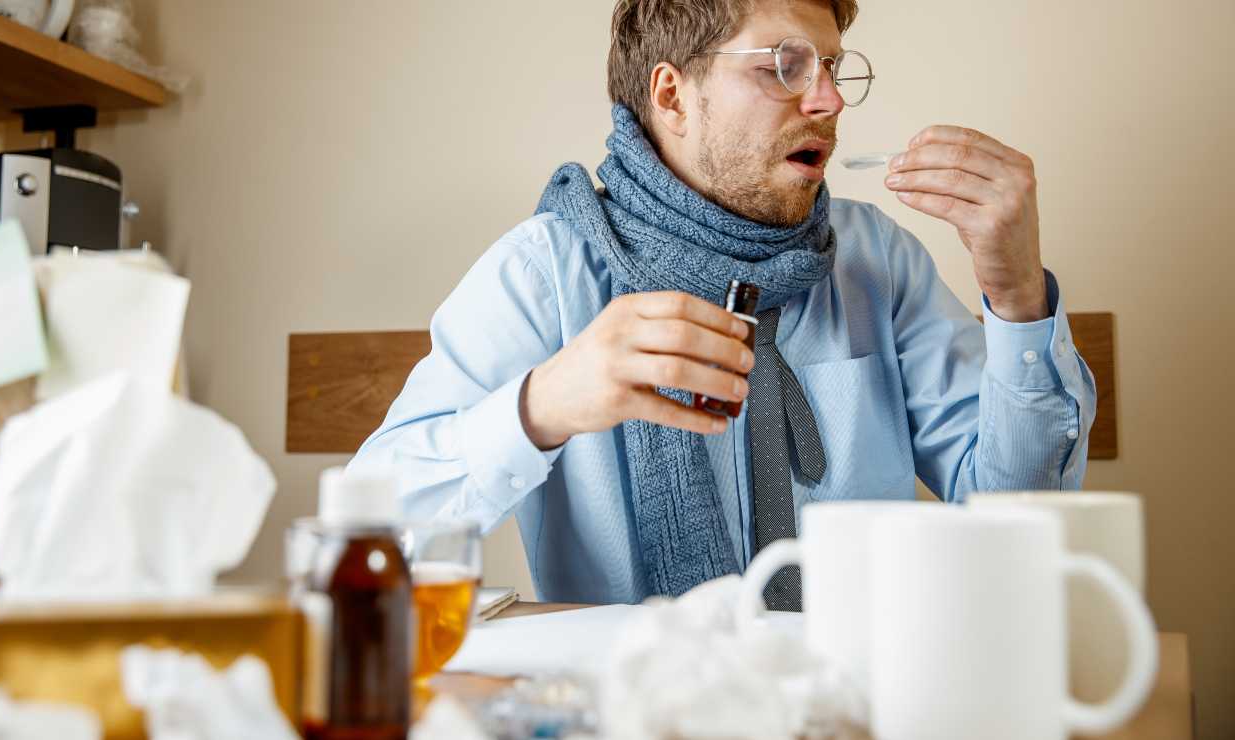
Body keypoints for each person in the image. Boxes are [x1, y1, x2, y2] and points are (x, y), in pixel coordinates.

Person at [348, 0, 1095, 607]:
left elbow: (1018, 516)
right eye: (785, 66)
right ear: (672, 95)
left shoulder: (878, 260)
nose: (829, 101)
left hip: (865, 698)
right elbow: (369, 540)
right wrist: (541, 406)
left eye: (832, 67)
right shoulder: (544, 273)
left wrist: (1019, 296)